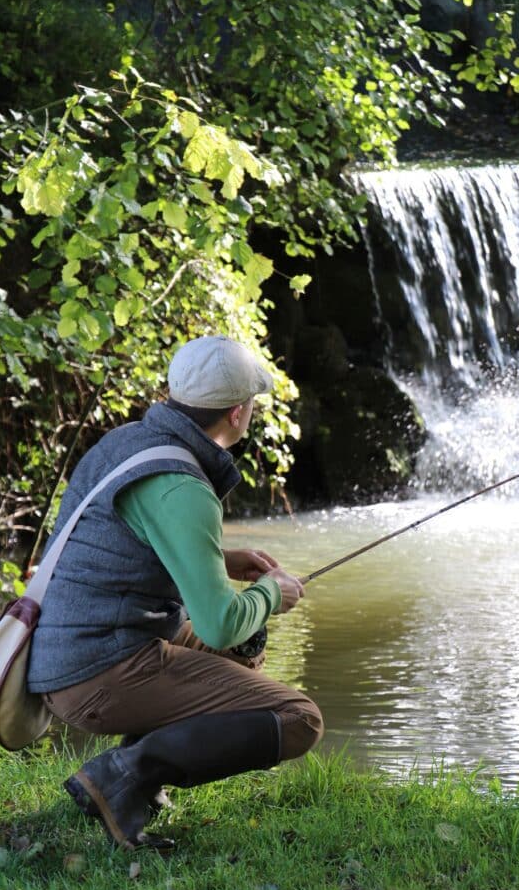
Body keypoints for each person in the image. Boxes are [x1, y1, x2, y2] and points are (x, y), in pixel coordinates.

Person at [26, 335, 323, 850]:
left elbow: (117, 542)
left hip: (67, 654)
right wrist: (273, 593)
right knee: (298, 720)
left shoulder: (127, 443)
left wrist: (221, 561)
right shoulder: (182, 486)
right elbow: (220, 623)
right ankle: (123, 775)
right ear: (237, 413)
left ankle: (135, 773)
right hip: (97, 674)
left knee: (243, 648)